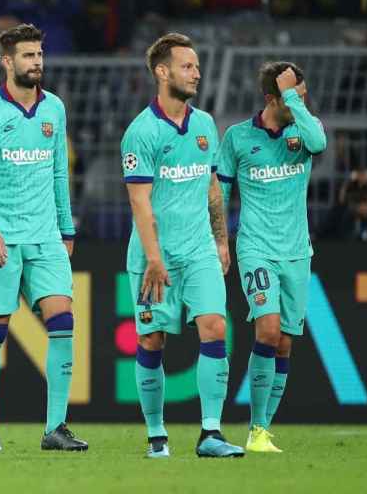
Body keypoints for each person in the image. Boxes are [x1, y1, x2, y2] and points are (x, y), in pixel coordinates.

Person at [0, 23, 87, 452]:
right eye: (28, 56)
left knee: (63, 321)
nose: (37, 62)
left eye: (39, 54)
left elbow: (58, 172)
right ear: (7, 61)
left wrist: (66, 227)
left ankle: (55, 427)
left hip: (45, 237)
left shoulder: (54, 108)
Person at [120, 33, 242, 459]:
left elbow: (212, 188)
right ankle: (157, 436)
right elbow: (139, 202)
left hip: (199, 251)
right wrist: (154, 259)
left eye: (196, 66)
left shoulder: (206, 125)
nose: (197, 73)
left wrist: (222, 241)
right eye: (187, 66)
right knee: (152, 340)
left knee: (216, 328)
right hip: (155, 256)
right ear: (162, 71)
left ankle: (211, 433)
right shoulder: (142, 133)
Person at [217, 62, 326, 453]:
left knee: (284, 342)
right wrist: (220, 240)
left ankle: (260, 430)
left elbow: (320, 144)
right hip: (256, 247)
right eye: (294, 93)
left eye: (303, 91)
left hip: (297, 251)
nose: (303, 98)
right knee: (267, 329)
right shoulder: (238, 138)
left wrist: (295, 100)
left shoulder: (304, 128)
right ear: (270, 99)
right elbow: (220, 190)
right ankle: (256, 430)